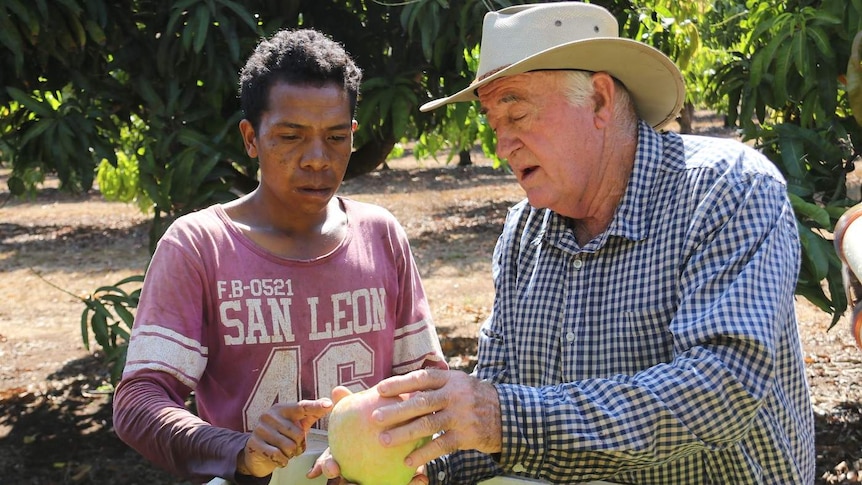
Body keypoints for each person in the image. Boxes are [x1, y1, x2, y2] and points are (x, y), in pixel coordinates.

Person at [340, 3, 815, 484]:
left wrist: (503, 418)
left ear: (600, 101)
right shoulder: (524, 236)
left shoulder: (725, 190)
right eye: (492, 122)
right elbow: (493, 407)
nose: (502, 145)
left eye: (518, 112)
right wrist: (416, 460)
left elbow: (721, 389)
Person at [112, 28, 447, 484]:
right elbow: (139, 402)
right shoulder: (199, 245)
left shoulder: (380, 235)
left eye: (334, 137)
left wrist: (415, 460)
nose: (316, 158)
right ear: (251, 138)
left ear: (353, 134)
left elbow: (426, 387)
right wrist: (240, 450)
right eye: (290, 136)